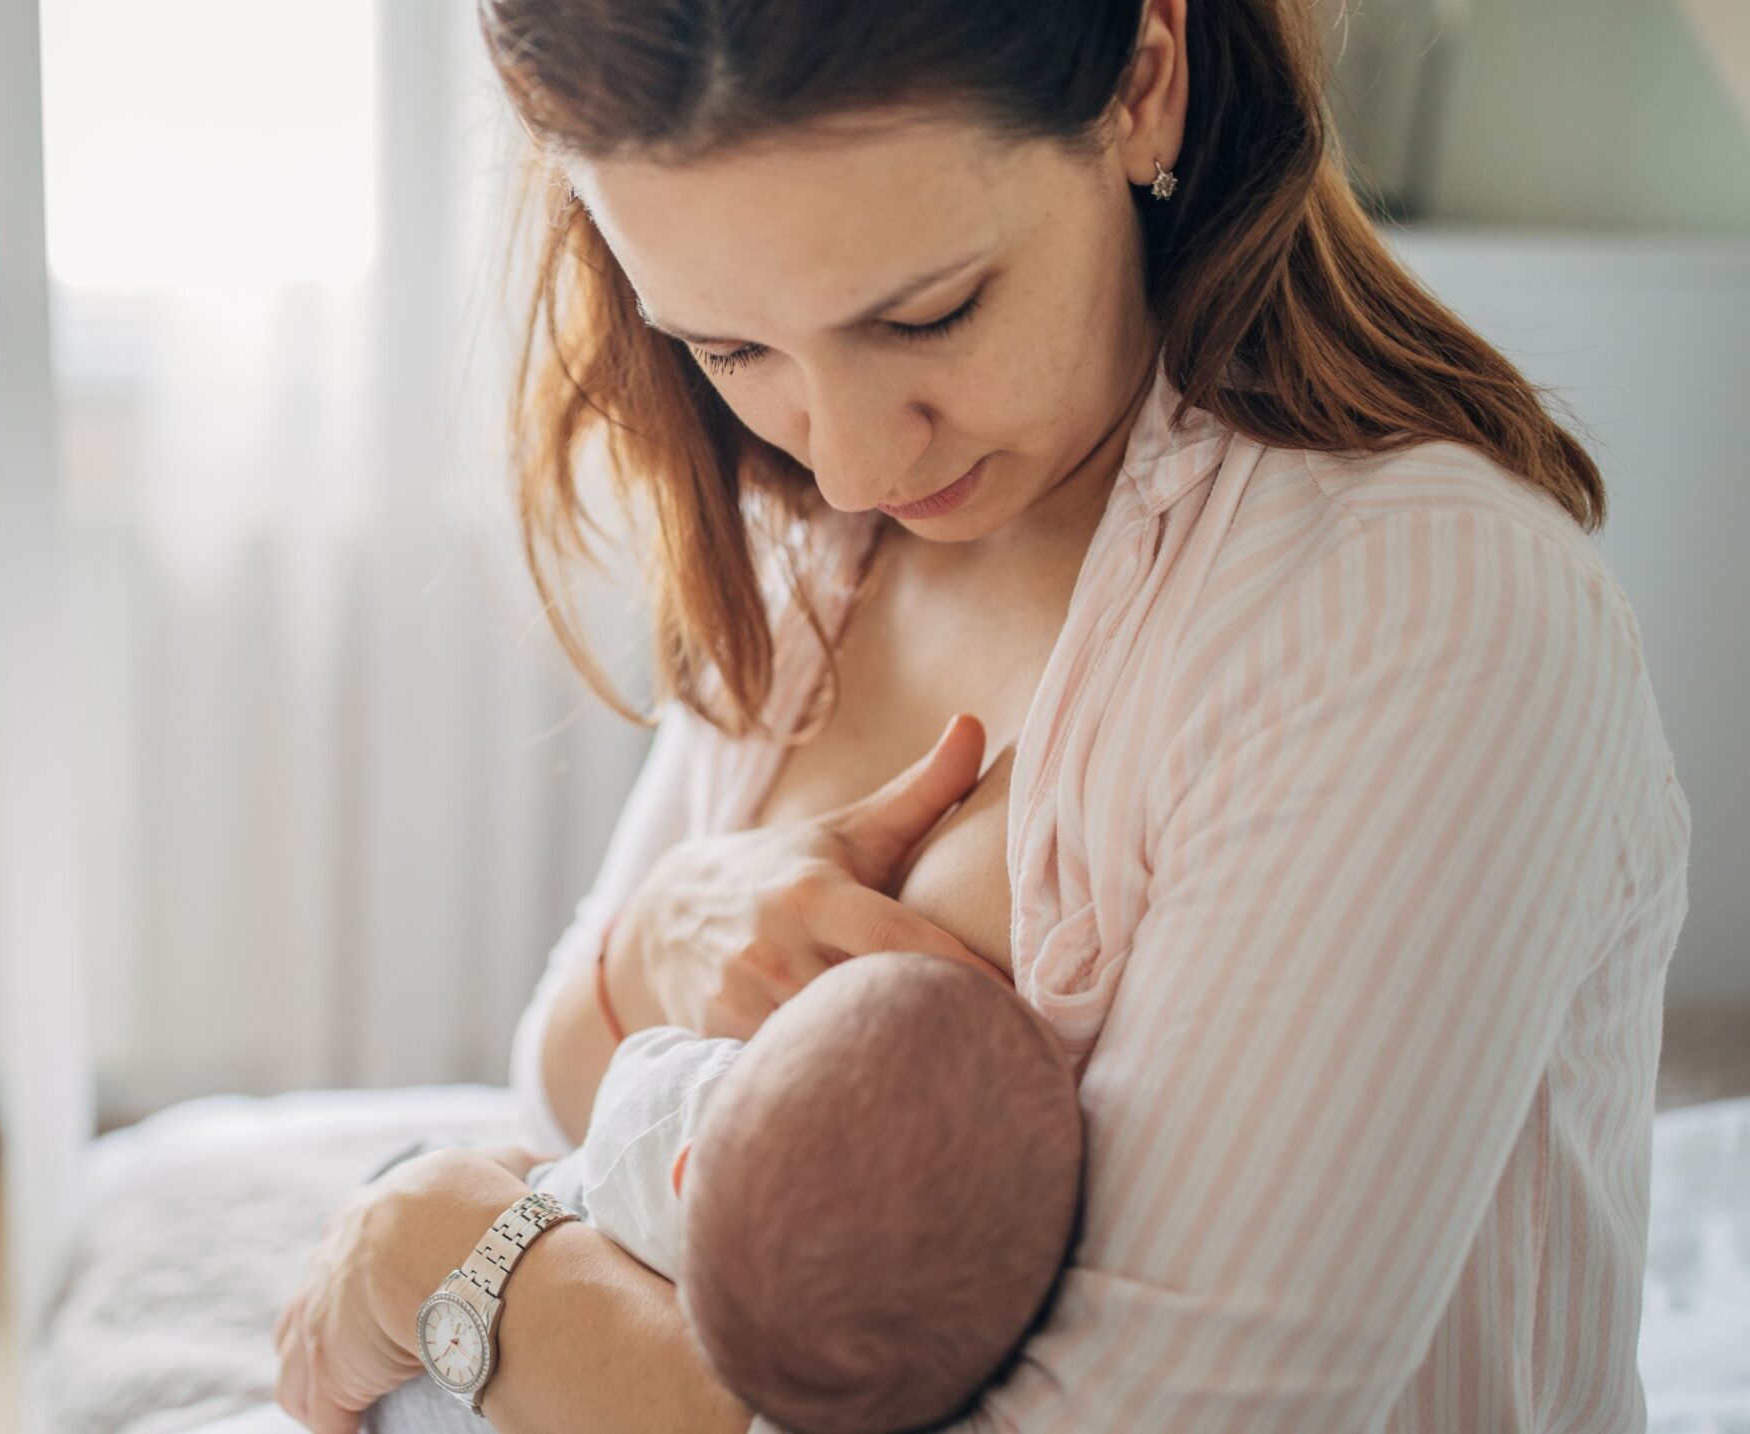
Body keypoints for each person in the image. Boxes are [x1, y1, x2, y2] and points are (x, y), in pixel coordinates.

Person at [271, 0, 1693, 1429]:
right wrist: (674, 930)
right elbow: (561, 1103)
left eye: (926, 314)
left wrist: (455, 1261)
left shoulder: (1415, 613)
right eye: (730, 349)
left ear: (1144, 82)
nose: (846, 463)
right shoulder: (827, 553)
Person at [359, 947, 1082, 1434]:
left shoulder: (685, 1117)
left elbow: (637, 1072)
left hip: (417, 1368)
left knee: (413, 1164)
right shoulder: (881, 1354)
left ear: (687, 1171)